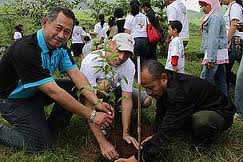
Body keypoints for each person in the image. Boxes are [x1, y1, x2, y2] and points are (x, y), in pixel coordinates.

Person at [0, 6, 114, 153]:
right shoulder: (25, 50)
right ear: (45, 23)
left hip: (33, 91)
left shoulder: (61, 48)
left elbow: (75, 74)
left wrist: (96, 102)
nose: (61, 35)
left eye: (67, 32)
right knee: (41, 147)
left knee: (73, 86)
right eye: (58, 28)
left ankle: (52, 128)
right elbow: (53, 92)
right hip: (12, 99)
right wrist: (92, 115)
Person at [115, 60, 235, 162]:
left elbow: (168, 130)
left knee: (201, 121)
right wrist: (155, 134)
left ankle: (204, 142)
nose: (149, 93)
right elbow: (161, 112)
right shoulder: (166, 82)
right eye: (146, 89)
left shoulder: (178, 94)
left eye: (151, 88)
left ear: (163, 78)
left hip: (221, 113)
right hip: (196, 107)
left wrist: (136, 159)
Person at [80, 33, 151, 160]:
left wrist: (126, 133)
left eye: (127, 54)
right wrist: (103, 143)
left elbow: (127, 98)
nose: (121, 57)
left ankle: (115, 111)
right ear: (110, 45)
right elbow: (88, 100)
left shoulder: (129, 65)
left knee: (146, 100)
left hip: (115, 92)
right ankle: (103, 120)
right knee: (102, 88)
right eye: (119, 50)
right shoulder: (92, 62)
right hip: (95, 96)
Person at [199, 0, 229, 96]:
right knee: (220, 80)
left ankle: (202, 102)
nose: (202, 9)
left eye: (204, 6)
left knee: (204, 79)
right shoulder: (215, 15)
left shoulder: (215, 18)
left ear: (210, 5)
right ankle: (224, 103)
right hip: (218, 53)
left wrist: (211, 59)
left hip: (214, 54)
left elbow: (213, 38)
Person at [221, 0, 243, 91]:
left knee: (224, 68)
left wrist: (226, 41)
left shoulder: (235, 6)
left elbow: (234, 25)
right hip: (234, 41)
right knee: (225, 68)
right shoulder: (231, 7)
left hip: (235, 41)